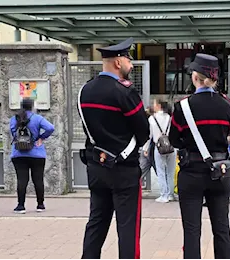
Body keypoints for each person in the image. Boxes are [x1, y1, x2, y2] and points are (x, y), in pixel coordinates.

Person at [78, 37, 149, 260]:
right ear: (118, 62)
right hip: (123, 169)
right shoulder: (125, 92)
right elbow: (143, 132)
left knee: (97, 221)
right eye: (128, 58)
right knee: (127, 226)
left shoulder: (85, 90)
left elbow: (89, 128)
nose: (131, 63)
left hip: (96, 167)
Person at [169, 53, 230, 259]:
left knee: (192, 229)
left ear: (195, 77)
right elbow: (228, 134)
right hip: (220, 171)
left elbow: (174, 140)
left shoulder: (183, 106)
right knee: (222, 228)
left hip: (191, 172)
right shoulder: (226, 105)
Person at [10, 98, 54, 214]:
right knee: (38, 179)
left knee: (22, 179)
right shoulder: (37, 118)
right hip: (37, 153)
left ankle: (20, 206)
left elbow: (13, 133)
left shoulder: (14, 119)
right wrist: (41, 137)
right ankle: (40, 205)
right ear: (32, 106)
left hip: (18, 153)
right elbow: (50, 128)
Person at [143, 100, 176, 203]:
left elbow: (149, 136)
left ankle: (164, 195)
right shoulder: (170, 118)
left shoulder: (152, 119)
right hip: (171, 147)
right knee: (170, 172)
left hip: (159, 147)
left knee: (161, 171)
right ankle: (170, 194)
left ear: (158, 106)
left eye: (154, 104)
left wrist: (145, 148)